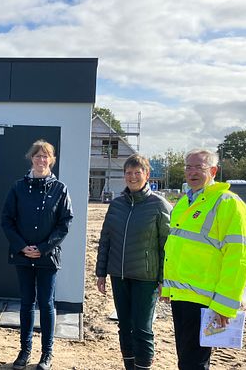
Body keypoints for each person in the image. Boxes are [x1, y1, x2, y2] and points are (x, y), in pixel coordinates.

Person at [161, 149, 246, 370]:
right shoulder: (185, 202)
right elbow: (177, 248)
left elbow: (239, 257)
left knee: (193, 363)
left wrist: (225, 304)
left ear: (213, 171)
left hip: (205, 300)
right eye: (188, 167)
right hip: (182, 296)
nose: (192, 172)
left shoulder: (228, 203)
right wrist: (167, 287)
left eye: (199, 167)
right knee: (186, 359)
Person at [1, 140, 74, 370]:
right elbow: (7, 220)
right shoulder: (17, 187)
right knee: (25, 303)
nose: (41, 160)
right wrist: (22, 246)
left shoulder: (60, 189)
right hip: (23, 256)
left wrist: (43, 248)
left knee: (46, 303)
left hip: (47, 257)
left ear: (51, 160)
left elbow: (65, 223)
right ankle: (25, 351)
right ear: (31, 158)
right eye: (37, 156)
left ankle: (46, 354)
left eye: (46, 156)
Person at [95, 154, 171, 370]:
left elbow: (166, 245)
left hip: (146, 279)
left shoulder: (159, 205)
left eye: (137, 172)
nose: (132, 177)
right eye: (128, 173)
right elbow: (106, 239)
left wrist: (164, 279)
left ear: (147, 175)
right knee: (124, 327)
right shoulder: (116, 205)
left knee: (142, 329)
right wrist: (101, 273)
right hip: (118, 276)